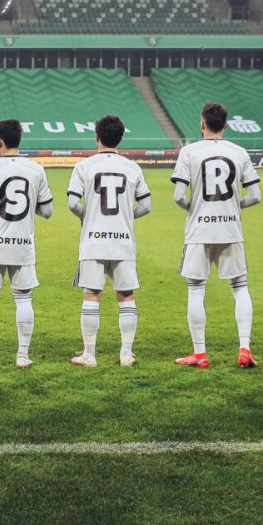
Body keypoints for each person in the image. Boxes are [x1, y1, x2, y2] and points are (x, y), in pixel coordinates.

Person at [171, 102, 262, 369]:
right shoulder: (239, 152)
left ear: (202, 123)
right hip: (231, 227)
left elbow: (178, 196)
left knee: (196, 289)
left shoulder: (189, 152)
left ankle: (200, 354)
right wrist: (234, 208)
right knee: (240, 287)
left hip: (199, 229)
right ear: (226, 124)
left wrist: (196, 209)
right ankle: (244, 348)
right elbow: (255, 195)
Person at [67, 115, 151, 368]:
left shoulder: (84, 166)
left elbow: (72, 203)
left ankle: (89, 355)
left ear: (97, 136)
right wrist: (127, 217)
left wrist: (89, 217)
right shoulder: (132, 167)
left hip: (93, 240)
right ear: (121, 138)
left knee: (92, 295)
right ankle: (126, 354)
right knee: (126, 296)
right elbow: (146, 205)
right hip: (123, 240)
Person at [0, 119, 54, 369]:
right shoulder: (36, 169)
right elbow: (47, 211)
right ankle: (22, 356)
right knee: (23, 298)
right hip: (23, 245)